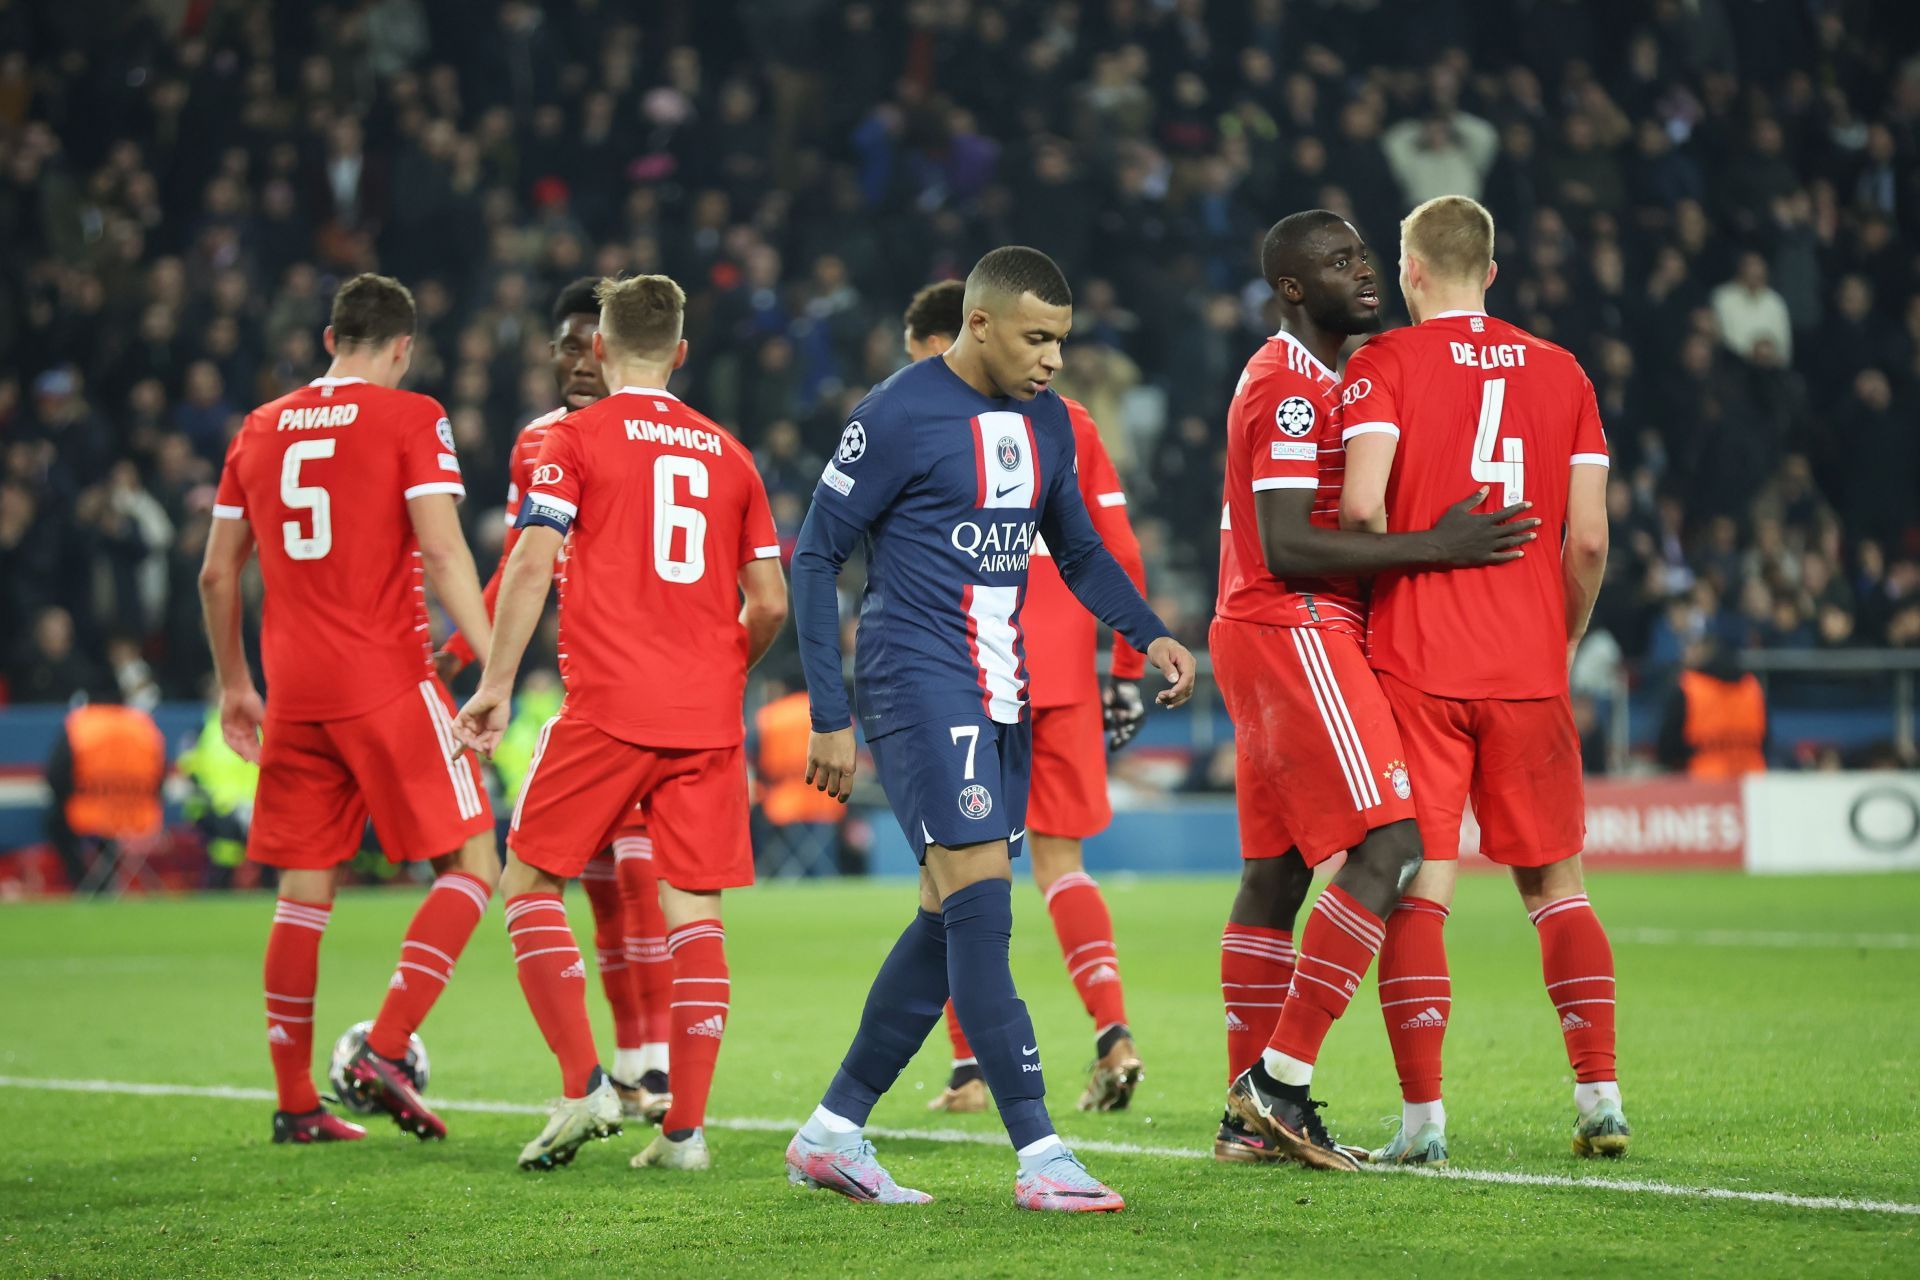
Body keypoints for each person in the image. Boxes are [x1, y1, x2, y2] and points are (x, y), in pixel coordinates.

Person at [782, 246, 1195, 1213]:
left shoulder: (1048, 423)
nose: (1053, 358)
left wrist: (1150, 633)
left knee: (943, 918)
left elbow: (1080, 548)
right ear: (978, 324)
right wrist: (831, 716)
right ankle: (1042, 1153)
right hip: (917, 678)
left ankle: (832, 1132)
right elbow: (815, 557)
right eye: (1035, 337)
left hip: (999, 686)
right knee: (982, 905)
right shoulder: (895, 414)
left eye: (1061, 339)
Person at [1212, 211, 1538, 1171]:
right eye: (1340, 262)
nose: (1366, 273)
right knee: (1392, 843)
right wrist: (1440, 543)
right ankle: (1278, 1082)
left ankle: (1245, 1123)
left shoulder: (1310, 377)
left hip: (1259, 630)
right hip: (1297, 623)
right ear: (1292, 288)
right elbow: (1288, 543)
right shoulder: (1294, 392)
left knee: (1275, 877)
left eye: (1366, 255)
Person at [453, 274, 788, 1175]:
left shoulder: (571, 437)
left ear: (598, 349)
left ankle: (583, 1086)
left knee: (526, 881)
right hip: (705, 715)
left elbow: (530, 564)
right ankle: (686, 1133)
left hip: (607, 704)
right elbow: (769, 602)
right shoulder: (731, 454)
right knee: (696, 915)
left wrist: (493, 683)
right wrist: (721, 669)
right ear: (682, 353)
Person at [1339, 194, 1628, 1163]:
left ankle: (1424, 1120)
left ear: (1410, 269)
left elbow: (1365, 511)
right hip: (1527, 668)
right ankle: (1600, 1096)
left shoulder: (1384, 362)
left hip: (1417, 663)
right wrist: (1557, 635)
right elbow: (1587, 539)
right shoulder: (1563, 372)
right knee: (1558, 886)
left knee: (1418, 890)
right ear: (1492, 271)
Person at [198, 273, 500, 1145]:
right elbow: (443, 551)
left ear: (330, 340)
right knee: (475, 862)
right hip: (389, 680)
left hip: (293, 695)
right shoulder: (412, 416)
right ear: (402, 347)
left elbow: (218, 573)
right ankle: (388, 1045)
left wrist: (234, 684)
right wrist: (494, 661)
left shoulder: (257, 427)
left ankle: (297, 1106)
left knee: (302, 895)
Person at [902, 280, 1153, 1116]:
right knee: (1063, 867)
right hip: (1068, 670)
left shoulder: (930, 420)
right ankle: (1112, 1029)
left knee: (955, 875)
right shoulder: (1072, 422)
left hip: (973, 669)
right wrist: (1124, 671)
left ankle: (971, 1070)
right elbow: (1117, 551)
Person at [438, 278, 673, 1125]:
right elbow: (523, 562)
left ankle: (653, 1065)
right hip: (591, 679)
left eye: (591, 342)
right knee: (607, 885)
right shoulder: (541, 441)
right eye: (566, 346)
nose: (579, 360)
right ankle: (638, 1067)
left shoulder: (653, 435)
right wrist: (466, 645)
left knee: (637, 877)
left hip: (642, 679)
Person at [44, 692, 167, 893]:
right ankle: (106, 878)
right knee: (109, 839)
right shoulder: (142, 726)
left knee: (55, 822)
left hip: (88, 814)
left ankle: (86, 883)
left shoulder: (81, 726)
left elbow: (56, 775)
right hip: (139, 815)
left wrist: (76, 797)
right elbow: (160, 774)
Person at [1656, 635, 1767, 779]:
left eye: (1691, 647)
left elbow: (1668, 747)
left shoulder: (1688, 687)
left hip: (1704, 785)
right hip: (1752, 783)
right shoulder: (1752, 686)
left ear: (1707, 650)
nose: (1684, 654)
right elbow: (1766, 739)